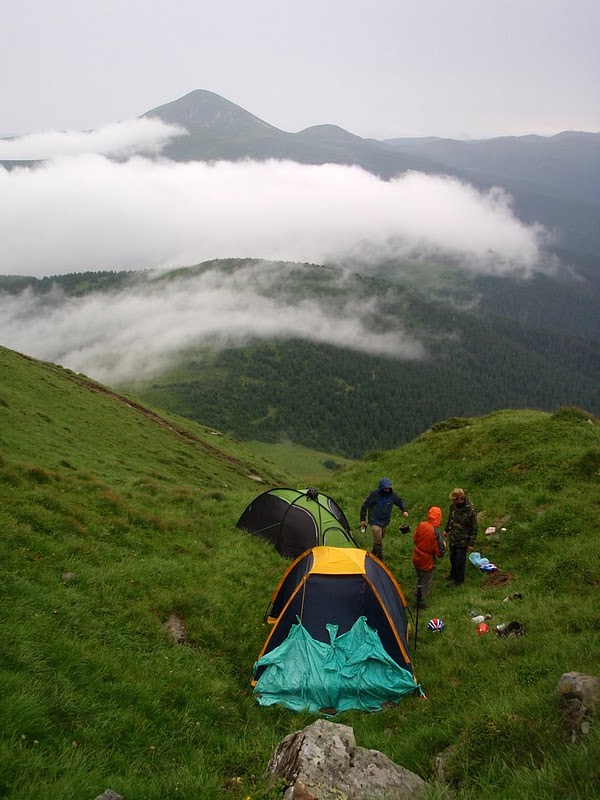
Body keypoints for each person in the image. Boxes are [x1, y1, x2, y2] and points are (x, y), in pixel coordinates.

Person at [359, 477, 409, 560]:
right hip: (374, 520)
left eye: (388, 489)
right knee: (378, 540)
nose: (386, 490)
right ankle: (380, 560)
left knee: (380, 538)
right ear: (381, 488)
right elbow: (364, 506)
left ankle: (372, 555)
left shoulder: (392, 496)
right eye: (385, 489)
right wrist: (362, 519)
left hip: (385, 521)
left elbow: (400, 502)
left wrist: (404, 510)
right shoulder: (374, 495)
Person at [412, 506, 445, 609]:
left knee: (418, 578)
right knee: (425, 582)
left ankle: (416, 597)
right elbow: (440, 553)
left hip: (417, 556)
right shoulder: (435, 532)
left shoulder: (421, 525)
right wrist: (444, 545)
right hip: (427, 560)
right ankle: (421, 603)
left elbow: (415, 539)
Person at [444, 488, 478, 585]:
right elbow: (450, 518)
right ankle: (452, 574)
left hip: (463, 541)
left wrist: (471, 543)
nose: (453, 501)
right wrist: (446, 530)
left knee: (460, 562)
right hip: (453, 538)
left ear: (460, 499)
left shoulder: (470, 510)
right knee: (452, 558)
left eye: (454, 499)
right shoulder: (453, 506)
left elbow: (474, 527)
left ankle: (459, 580)